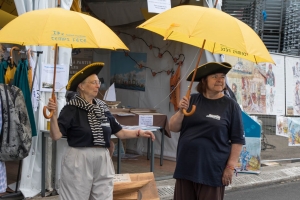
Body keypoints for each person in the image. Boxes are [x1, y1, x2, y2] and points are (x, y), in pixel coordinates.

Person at [46, 62, 155, 200]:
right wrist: (53, 115)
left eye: (98, 82)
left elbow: (119, 132)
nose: (98, 85)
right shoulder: (71, 108)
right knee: (75, 196)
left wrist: (139, 133)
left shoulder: (102, 107)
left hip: (102, 157)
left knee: (103, 197)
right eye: (93, 82)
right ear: (81, 86)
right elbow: (56, 135)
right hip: (79, 157)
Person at [169, 62, 245, 200]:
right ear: (204, 80)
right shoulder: (192, 99)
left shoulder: (231, 106)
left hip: (212, 169)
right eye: (215, 76)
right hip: (186, 166)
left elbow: (238, 140)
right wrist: (181, 111)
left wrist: (230, 167)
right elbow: (173, 127)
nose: (220, 80)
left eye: (222, 77)